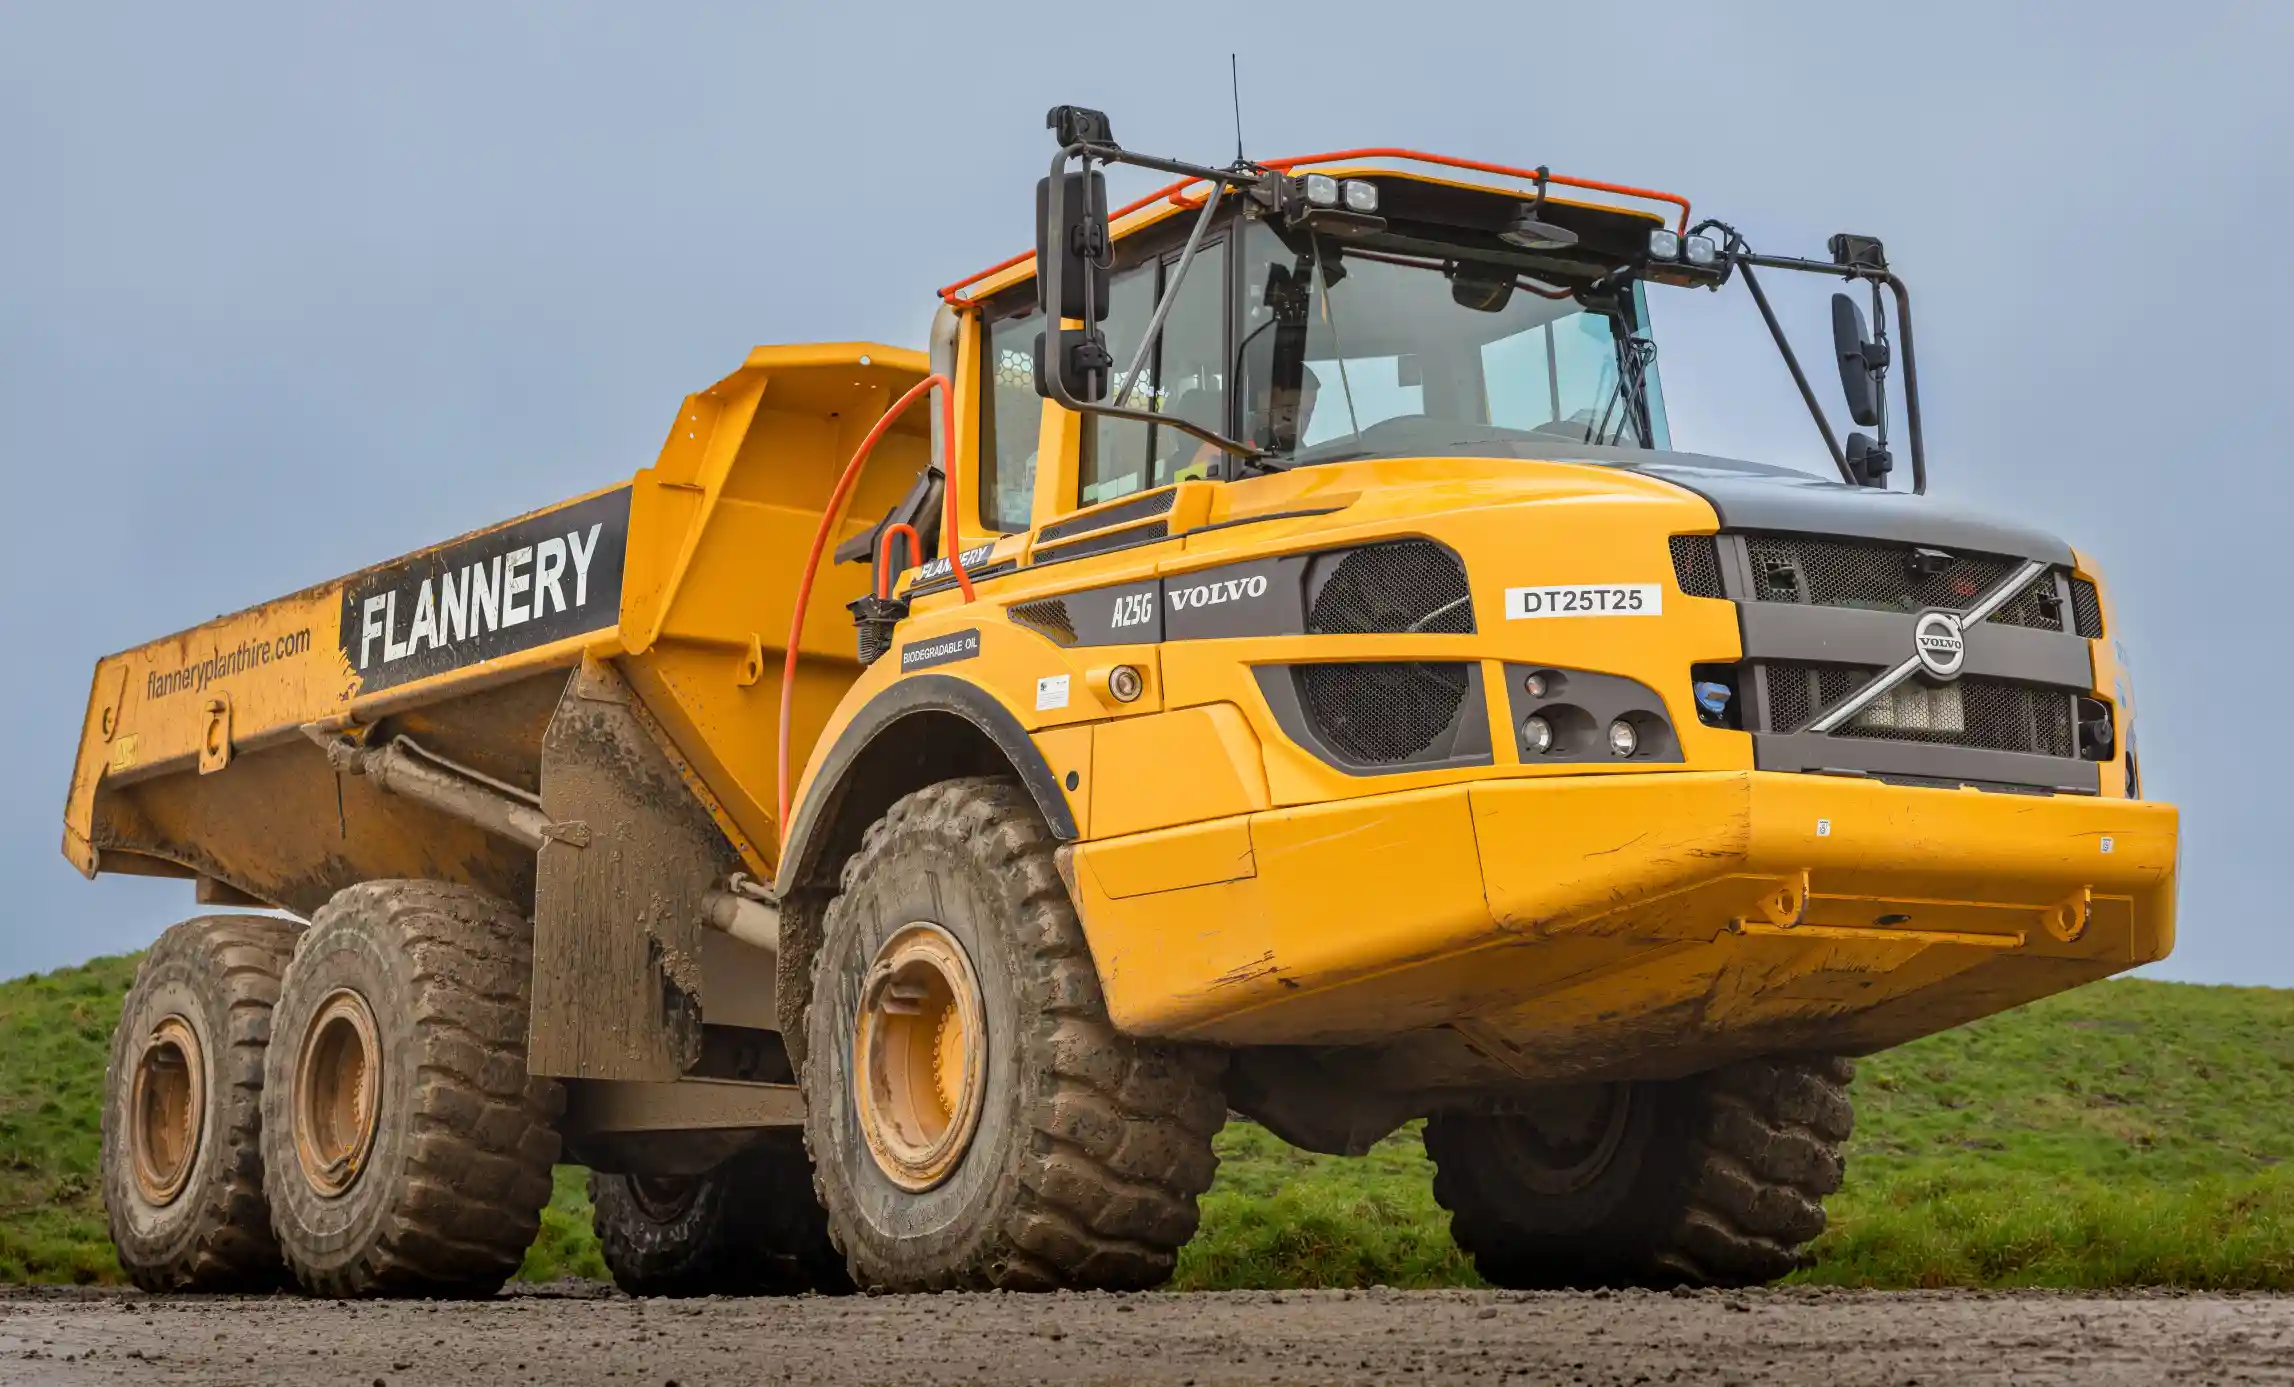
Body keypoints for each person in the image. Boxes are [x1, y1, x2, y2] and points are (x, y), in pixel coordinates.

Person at [1168, 365, 1320, 482]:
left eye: (1307, 414)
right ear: (1262, 401)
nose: (1298, 424)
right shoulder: (1222, 445)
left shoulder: (1307, 458)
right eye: (1289, 410)